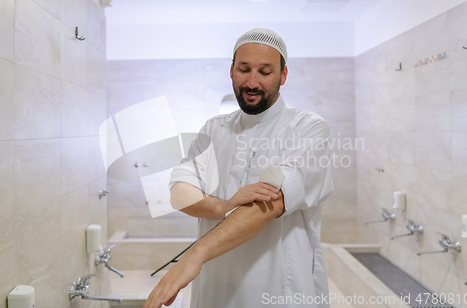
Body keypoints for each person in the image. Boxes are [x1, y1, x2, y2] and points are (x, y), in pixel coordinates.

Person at [143, 28, 334, 308]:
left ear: (283, 76)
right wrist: (223, 207)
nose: (252, 82)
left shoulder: (307, 128)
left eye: (265, 72)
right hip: (214, 292)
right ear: (231, 70)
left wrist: (194, 255)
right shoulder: (214, 129)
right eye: (244, 69)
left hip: (280, 293)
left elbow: (272, 201)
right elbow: (180, 192)